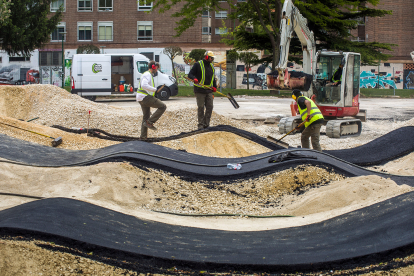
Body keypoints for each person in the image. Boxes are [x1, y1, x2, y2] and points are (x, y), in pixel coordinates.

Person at [136, 60, 167, 139]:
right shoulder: (148, 74)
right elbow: (144, 85)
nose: (157, 70)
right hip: (144, 97)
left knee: (145, 117)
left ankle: (143, 137)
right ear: (153, 67)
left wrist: (153, 92)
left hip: (141, 98)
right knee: (163, 106)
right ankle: (150, 122)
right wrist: (154, 89)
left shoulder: (146, 74)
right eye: (156, 68)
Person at [187, 51, 218, 130]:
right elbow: (190, 74)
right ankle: (200, 125)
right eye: (211, 58)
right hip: (199, 90)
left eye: (213, 58)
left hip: (209, 91)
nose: (212, 59)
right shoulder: (198, 64)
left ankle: (206, 125)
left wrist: (214, 87)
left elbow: (213, 78)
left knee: (210, 107)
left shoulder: (211, 66)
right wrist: (194, 79)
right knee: (201, 107)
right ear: (206, 57)